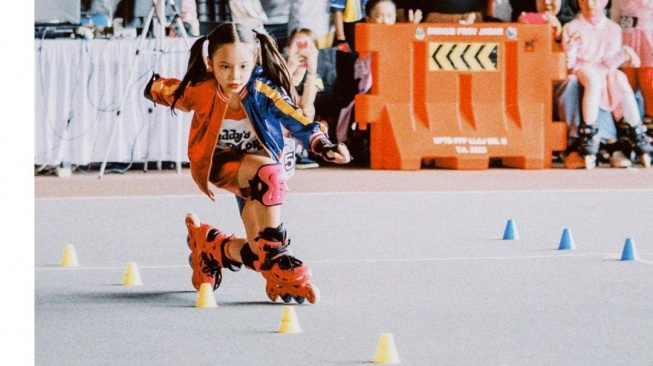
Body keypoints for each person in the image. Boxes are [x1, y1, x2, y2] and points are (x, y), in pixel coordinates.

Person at [144, 22, 352, 304]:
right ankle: (279, 255)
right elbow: (174, 91)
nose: (234, 75)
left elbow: (298, 119)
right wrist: (153, 86)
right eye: (225, 66)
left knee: (258, 253)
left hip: (257, 170)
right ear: (210, 63)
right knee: (270, 174)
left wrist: (323, 145)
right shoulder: (202, 90)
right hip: (222, 167)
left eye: (243, 66)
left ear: (254, 61)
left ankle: (211, 246)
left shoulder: (262, 91)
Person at [561, 0, 653, 168]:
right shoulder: (572, 27)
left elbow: (610, 62)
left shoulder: (613, 28)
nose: (590, 4)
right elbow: (570, 63)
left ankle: (636, 130)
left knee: (621, 79)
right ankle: (589, 133)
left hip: (606, 68)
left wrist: (623, 55)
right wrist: (572, 46)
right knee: (594, 81)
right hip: (584, 68)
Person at [611, 0, 653, 142]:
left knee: (648, 84)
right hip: (626, 46)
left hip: (649, 47)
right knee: (626, 85)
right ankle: (626, 128)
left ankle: (650, 125)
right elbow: (614, 21)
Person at [285, 28, 325, 168]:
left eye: (309, 47)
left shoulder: (315, 77)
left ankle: (299, 152)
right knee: (288, 106)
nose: (303, 52)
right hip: (279, 119)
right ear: (288, 49)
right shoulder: (278, 70)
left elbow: (306, 104)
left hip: (299, 119)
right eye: (299, 45)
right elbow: (280, 97)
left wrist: (311, 72)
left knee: (307, 108)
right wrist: (288, 70)